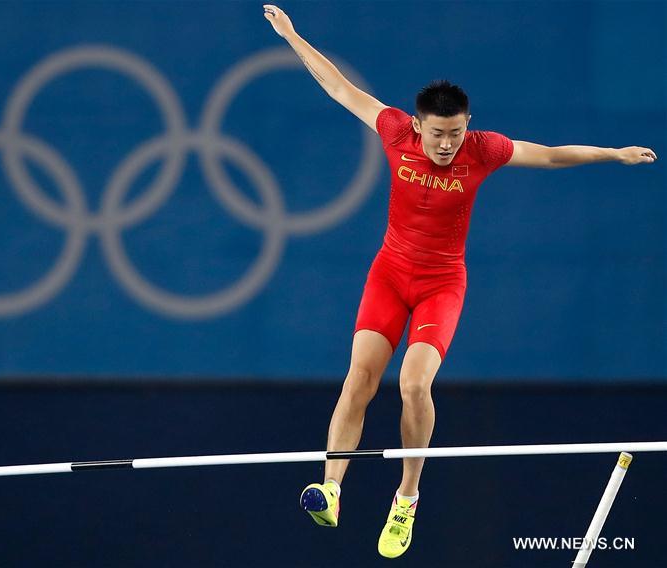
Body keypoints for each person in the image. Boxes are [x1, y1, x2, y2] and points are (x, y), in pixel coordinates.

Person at [262, 4, 658, 559]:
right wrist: (294, 36)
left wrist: (611, 154)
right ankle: (331, 488)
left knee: (415, 385)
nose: (447, 144)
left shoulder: (483, 150)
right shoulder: (394, 129)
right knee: (360, 378)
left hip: (440, 284)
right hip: (389, 274)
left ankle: (407, 498)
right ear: (419, 124)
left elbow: (546, 155)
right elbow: (336, 84)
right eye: (438, 134)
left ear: (466, 126)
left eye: (455, 133)